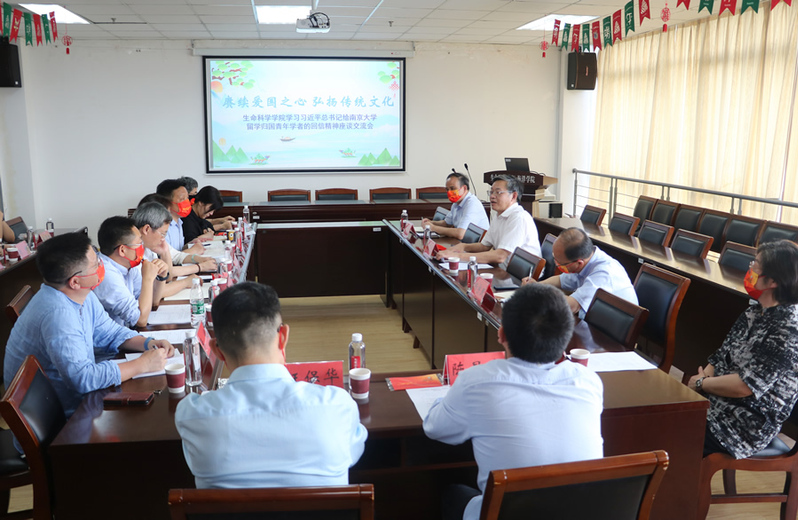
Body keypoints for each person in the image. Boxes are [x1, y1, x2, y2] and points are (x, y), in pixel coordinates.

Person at [423, 283, 603, 520]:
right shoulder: (588, 381)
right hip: (578, 512)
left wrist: (448, 397)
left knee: (451, 492)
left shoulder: (476, 382)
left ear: (501, 334)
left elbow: (434, 428)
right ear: (567, 337)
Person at [175, 282, 367, 488]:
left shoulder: (193, 415)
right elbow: (353, 453)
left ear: (217, 351)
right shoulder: (336, 406)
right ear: (283, 337)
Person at [3, 232, 174, 417]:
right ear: (75, 282)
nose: (102, 265)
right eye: (96, 264)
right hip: (64, 419)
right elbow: (83, 378)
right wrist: (142, 365)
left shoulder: (80, 294)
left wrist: (147, 343)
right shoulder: (58, 314)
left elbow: (108, 332)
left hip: (81, 399)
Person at [689, 240, 798, 459]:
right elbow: (721, 357)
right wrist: (698, 387)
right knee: (657, 416)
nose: (750, 269)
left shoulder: (789, 329)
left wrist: (701, 383)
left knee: (667, 431)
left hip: (743, 426)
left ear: (773, 281)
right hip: (716, 404)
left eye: (755, 264)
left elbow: (744, 387)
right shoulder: (754, 312)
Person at [522, 227, 637, 317]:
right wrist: (536, 285)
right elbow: (560, 280)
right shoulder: (586, 260)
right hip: (594, 319)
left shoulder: (604, 273)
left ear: (579, 263)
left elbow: (572, 306)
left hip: (613, 331)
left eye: (560, 264)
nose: (556, 265)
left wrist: (538, 293)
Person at [439, 175, 539, 269]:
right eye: (491, 192)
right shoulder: (499, 215)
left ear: (513, 196)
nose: (492, 196)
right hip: (503, 270)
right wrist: (463, 246)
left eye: (498, 192)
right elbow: (484, 246)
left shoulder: (518, 218)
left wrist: (458, 256)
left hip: (520, 277)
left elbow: (500, 256)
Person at [93, 216, 169, 328]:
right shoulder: (106, 275)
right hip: (114, 338)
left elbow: (152, 301)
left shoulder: (128, 265)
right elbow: (140, 320)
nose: (142, 247)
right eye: (139, 244)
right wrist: (147, 279)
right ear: (122, 250)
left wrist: (161, 277)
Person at [132, 201, 200, 298]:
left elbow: (167, 278)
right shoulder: (132, 253)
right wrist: (186, 282)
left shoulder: (149, 248)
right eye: (163, 234)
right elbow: (155, 293)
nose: (163, 239)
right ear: (146, 229)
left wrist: (165, 253)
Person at [137, 194, 217, 275]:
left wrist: (199, 259)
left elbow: (175, 256)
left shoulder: (152, 240)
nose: (169, 219)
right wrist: (199, 267)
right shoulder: (136, 251)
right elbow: (167, 275)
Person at [421, 172, 489, 240]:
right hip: (464, 243)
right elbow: (447, 223)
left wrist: (433, 228)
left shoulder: (472, 204)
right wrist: (430, 223)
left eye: (452, 188)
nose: (449, 192)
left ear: (464, 188)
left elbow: (460, 234)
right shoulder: (456, 203)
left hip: (477, 245)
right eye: (447, 189)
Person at [156, 179, 205, 255]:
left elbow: (178, 249)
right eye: (182, 199)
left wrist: (191, 244)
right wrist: (192, 251)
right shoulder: (162, 226)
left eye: (187, 198)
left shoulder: (179, 221)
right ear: (167, 202)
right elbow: (168, 257)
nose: (187, 202)